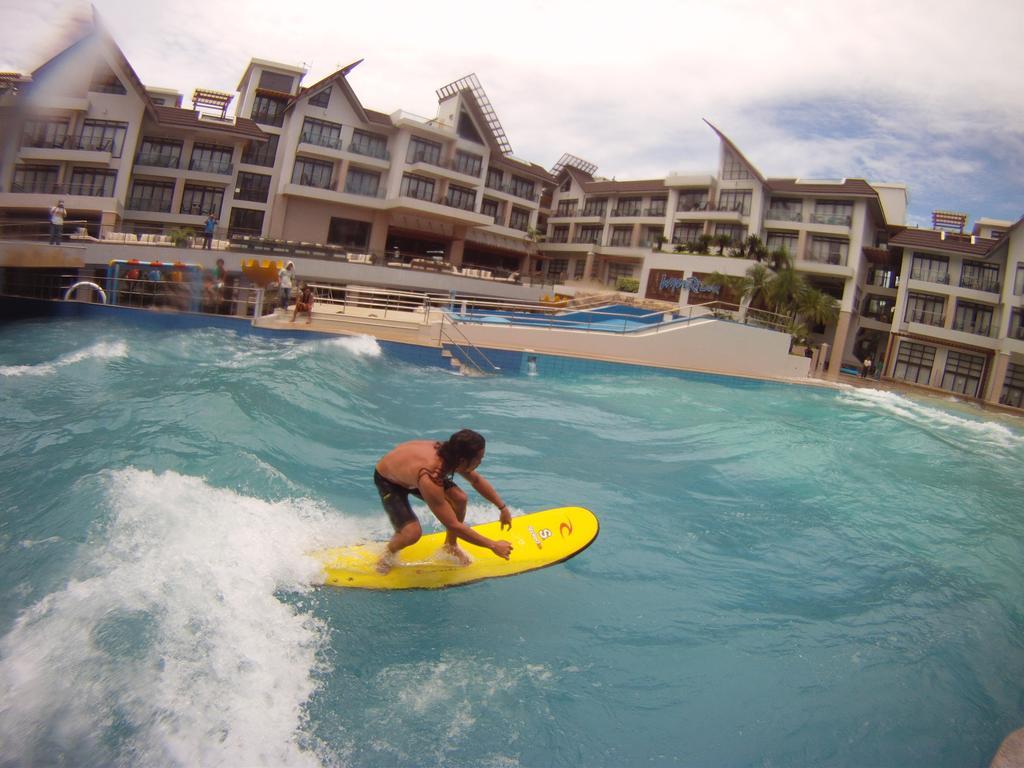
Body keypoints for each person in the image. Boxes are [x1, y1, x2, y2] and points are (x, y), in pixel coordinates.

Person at [373, 429, 513, 574]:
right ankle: (386, 555)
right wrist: (493, 546)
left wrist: (502, 508)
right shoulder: (431, 476)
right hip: (389, 480)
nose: (480, 463)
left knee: (460, 499)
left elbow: (476, 480)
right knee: (412, 533)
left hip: (410, 472)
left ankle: (450, 546)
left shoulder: (453, 454)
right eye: (479, 459)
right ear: (463, 461)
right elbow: (452, 524)